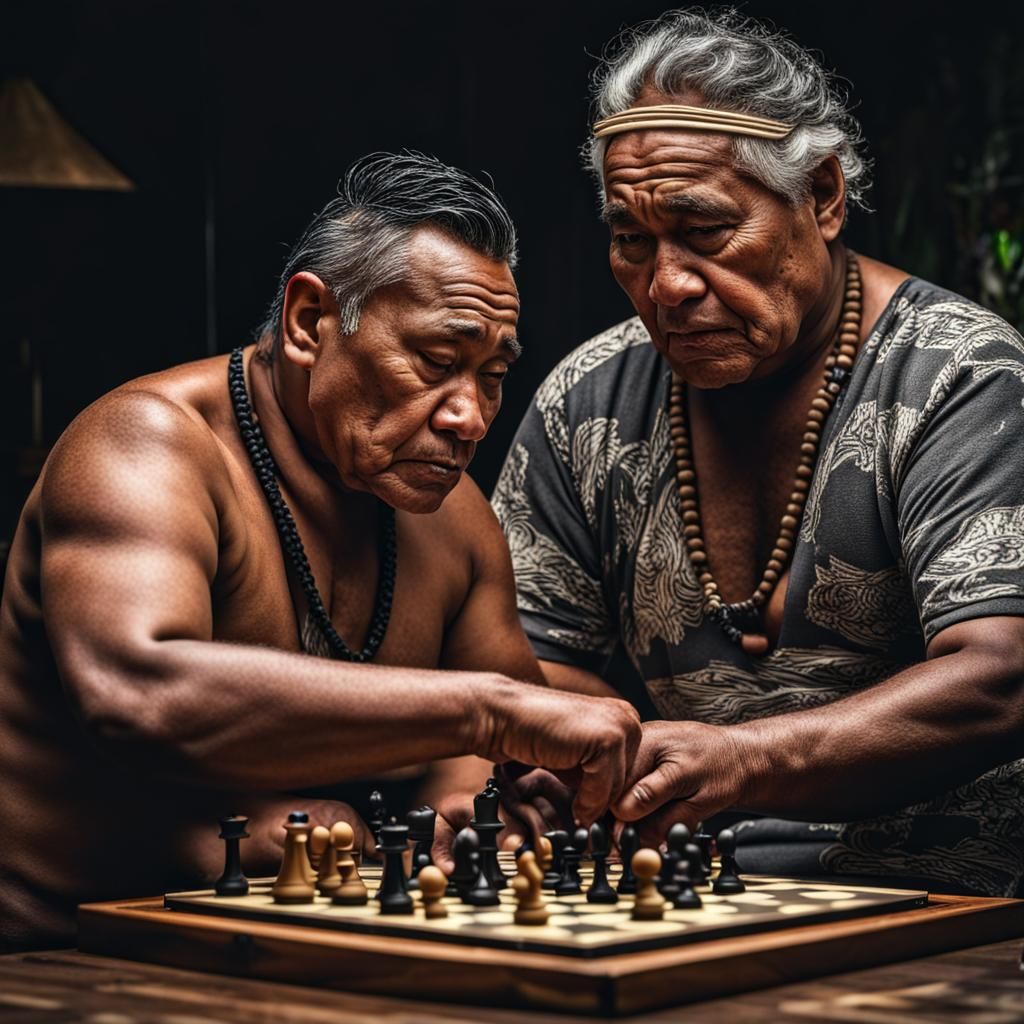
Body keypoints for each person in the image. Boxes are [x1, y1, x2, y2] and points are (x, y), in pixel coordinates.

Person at [0, 152, 640, 952]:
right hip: (64, 961)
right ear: (309, 322)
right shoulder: (147, 448)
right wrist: (486, 711)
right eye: (438, 363)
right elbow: (137, 691)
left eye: (492, 376)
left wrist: (467, 804)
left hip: (315, 957)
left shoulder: (455, 517)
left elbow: (488, 766)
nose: (470, 418)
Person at [493, 9, 1024, 897]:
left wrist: (738, 760)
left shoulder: (962, 377)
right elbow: (522, 657)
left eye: (705, 232)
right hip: (689, 888)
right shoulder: (584, 403)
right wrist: (562, 750)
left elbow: (1001, 674)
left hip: (954, 895)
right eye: (632, 240)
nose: (665, 285)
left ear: (822, 196)